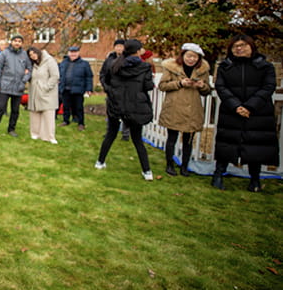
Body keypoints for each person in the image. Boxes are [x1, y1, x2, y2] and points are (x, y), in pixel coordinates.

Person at [212, 34, 279, 192]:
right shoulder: (225, 66)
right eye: (236, 46)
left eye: (243, 45)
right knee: (226, 143)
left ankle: (255, 180)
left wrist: (250, 106)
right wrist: (236, 106)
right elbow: (221, 87)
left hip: (257, 113)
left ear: (251, 47)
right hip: (231, 111)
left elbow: (268, 87)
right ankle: (218, 174)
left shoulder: (265, 66)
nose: (239, 48)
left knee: (254, 145)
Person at [95, 39, 155, 181]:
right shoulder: (144, 67)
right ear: (138, 51)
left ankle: (100, 162)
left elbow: (106, 81)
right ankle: (147, 171)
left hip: (116, 105)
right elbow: (148, 86)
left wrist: (111, 92)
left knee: (111, 134)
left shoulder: (115, 64)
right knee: (137, 139)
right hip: (134, 106)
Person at [157, 43, 211, 177]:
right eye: (189, 56)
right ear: (183, 55)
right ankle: (170, 164)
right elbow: (162, 86)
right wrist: (180, 83)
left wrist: (201, 86)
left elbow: (207, 90)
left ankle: (185, 166)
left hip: (193, 109)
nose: (191, 59)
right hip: (174, 108)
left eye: (195, 57)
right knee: (172, 138)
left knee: (188, 140)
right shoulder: (172, 68)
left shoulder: (202, 70)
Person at [0, 35, 31, 138]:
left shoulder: (25, 55)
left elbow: (30, 69)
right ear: (11, 42)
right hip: (4, 86)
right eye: (15, 41)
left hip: (18, 87)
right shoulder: (4, 53)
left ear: (21, 43)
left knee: (15, 110)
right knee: (0, 108)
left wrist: (24, 80)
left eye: (19, 41)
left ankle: (11, 129)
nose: (17, 43)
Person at [26, 47, 60, 144]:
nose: (33, 56)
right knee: (35, 113)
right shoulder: (33, 64)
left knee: (48, 114)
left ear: (38, 52)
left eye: (34, 53)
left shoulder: (49, 61)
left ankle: (49, 136)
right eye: (30, 55)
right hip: (34, 92)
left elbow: (55, 76)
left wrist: (46, 87)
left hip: (47, 92)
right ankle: (35, 133)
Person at [101, 39, 131, 141]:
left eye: (121, 46)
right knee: (110, 113)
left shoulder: (128, 59)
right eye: (117, 46)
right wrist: (106, 87)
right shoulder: (109, 59)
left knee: (125, 113)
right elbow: (103, 74)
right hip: (111, 91)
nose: (119, 48)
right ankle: (110, 132)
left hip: (124, 92)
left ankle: (125, 133)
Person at [58, 45, 93, 131]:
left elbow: (89, 77)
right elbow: (59, 74)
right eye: (71, 52)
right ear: (68, 53)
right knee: (66, 106)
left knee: (79, 107)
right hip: (65, 89)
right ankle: (66, 120)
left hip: (78, 89)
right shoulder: (63, 63)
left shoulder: (84, 64)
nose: (73, 54)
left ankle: (81, 123)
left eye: (75, 52)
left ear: (78, 53)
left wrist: (89, 89)